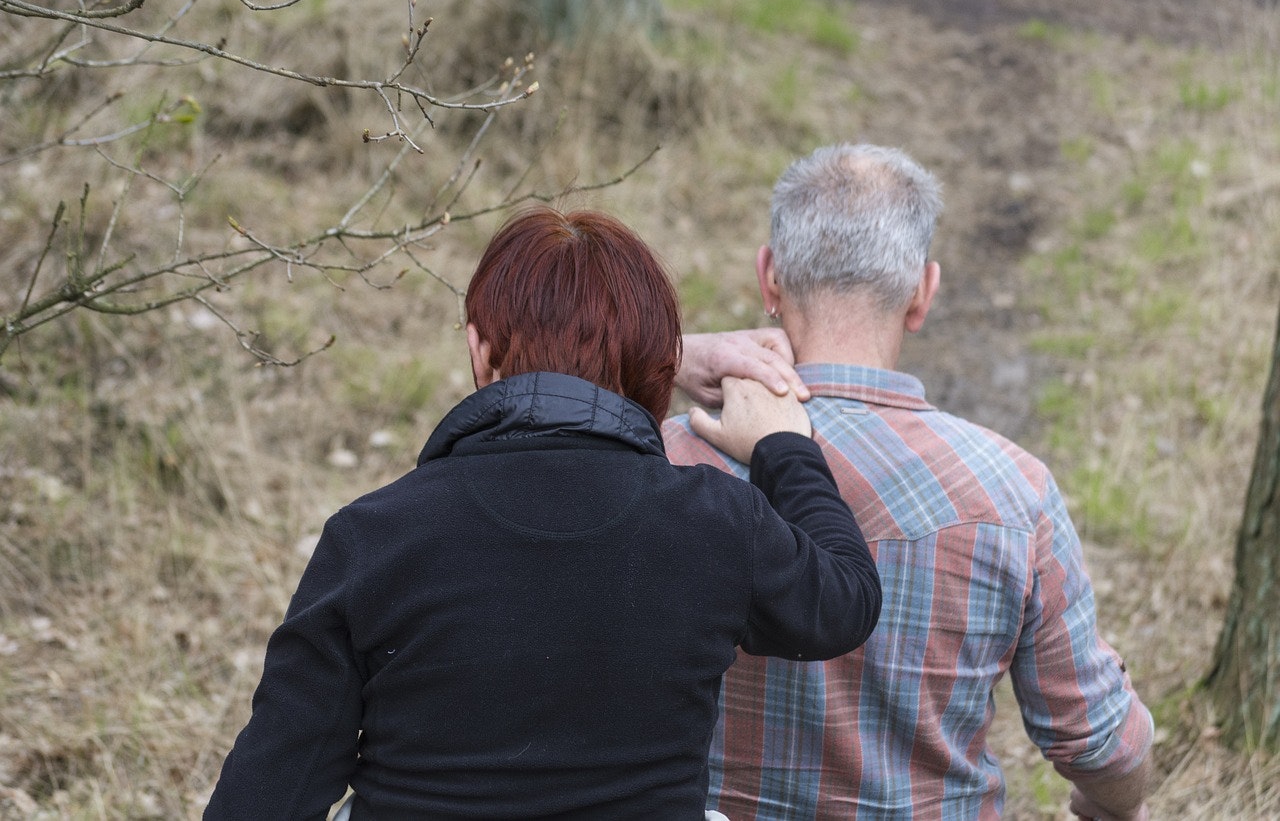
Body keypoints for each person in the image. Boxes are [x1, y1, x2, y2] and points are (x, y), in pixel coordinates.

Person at [203, 206, 882, 820]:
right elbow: (846, 600)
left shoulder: (375, 536)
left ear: (477, 349)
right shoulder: (713, 522)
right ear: (660, 369)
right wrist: (784, 448)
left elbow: (266, 796)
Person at [664, 143, 1154, 820]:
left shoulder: (665, 461)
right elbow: (1103, 745)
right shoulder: (1014, 491)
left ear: (768, 277)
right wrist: (1111, 806)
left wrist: (670, 355)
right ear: (923, 293)